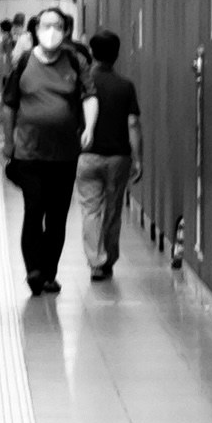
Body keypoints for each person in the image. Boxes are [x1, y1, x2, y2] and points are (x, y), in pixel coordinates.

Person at [5, 1, 88, 293]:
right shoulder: (25, 61)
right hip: (29, 152)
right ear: (36, 30)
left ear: (66, 31)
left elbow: (88, 97)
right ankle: (34, 270)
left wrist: (88, 126)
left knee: (57, 216)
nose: (51, 31)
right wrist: (7, 143)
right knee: (34, 208)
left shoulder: (76, 61)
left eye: (57, 26)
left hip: (64, 155)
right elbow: (10, 105)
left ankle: (49, 271)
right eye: (45, 25)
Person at [78, 27, 141, 282]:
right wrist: (139, 158)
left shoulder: (83, 83)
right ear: (117, 54)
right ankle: (109, 260)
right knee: (112, 210)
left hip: (87, 155)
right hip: (118, 158)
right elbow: (133, 124)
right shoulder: (125, 86)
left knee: (90, 210)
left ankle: (95, 261)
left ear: (91, 52)